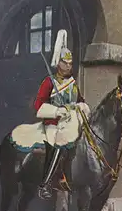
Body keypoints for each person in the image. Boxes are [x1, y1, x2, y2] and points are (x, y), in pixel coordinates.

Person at [34, 30, 90, 200]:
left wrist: (81, 106)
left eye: (70, 63)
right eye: (64, 63)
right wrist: (57, 111)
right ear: (58, 63)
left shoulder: (72, 84)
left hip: (71, 123)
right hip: (53, 123)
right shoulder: (49, 82)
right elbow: (38, 105)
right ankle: (46, 183)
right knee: (58, 144)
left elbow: (80, 100)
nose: (67, 66)